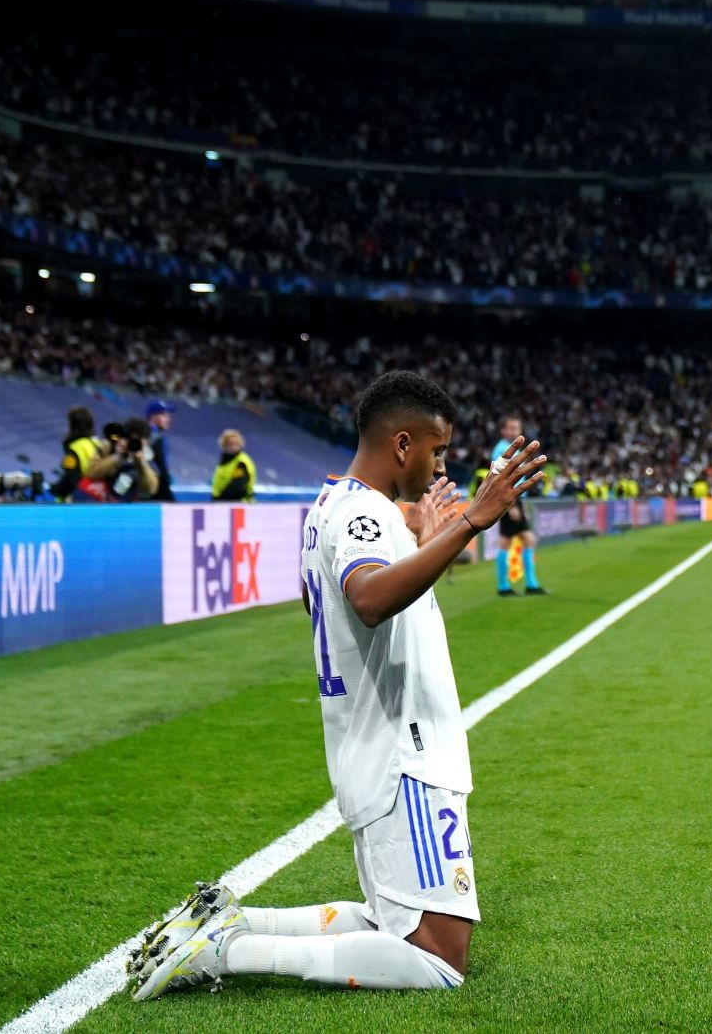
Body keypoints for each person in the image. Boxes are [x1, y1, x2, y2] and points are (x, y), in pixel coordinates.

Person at [128, 371, 548, 1000]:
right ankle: (226, 950)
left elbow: (318, 599)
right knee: (439, 955)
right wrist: (469, 526)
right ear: (402, 444)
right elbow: (369, 599)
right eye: (435, 451)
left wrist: (423, 543)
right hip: (403, 751)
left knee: (393, 924)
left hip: (373, 746)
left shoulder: (329, 505)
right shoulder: (363, 512)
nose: (439, 466)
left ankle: (230, 921)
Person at [488, 417, 546, 594]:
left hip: (513, 497)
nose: (514, 431)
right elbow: (501, 477)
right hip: (508, 497)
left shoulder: (515, 449)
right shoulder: (502, 449)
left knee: (513, 541)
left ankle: (509, 586)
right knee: (525, 540)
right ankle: (524, 585)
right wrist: (511, 505)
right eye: (511, 428)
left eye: (517, 428)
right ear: (503, 431)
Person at [52, 405, 105, 502]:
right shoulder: (99, 444)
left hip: (81, 500)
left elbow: (70, 480)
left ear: (72, 425)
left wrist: (54, 490)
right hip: (100, 497)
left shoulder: (74, 449)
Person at [212, 429, 256, 502]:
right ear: (224, 445)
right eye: (230, 444)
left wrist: (219, 499)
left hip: (239, 504)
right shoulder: (225, 461)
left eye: (235, 444)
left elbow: (238, 488)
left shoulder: (241, 462)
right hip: (224, 503)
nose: (233, 446)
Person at [146, 400, 176, 501]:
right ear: (153, 416)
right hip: (156, 494)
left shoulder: (143, 435)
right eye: (164, 415)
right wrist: (169, 498)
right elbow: (161, 469)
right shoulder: (156, 438)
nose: (168, 419)